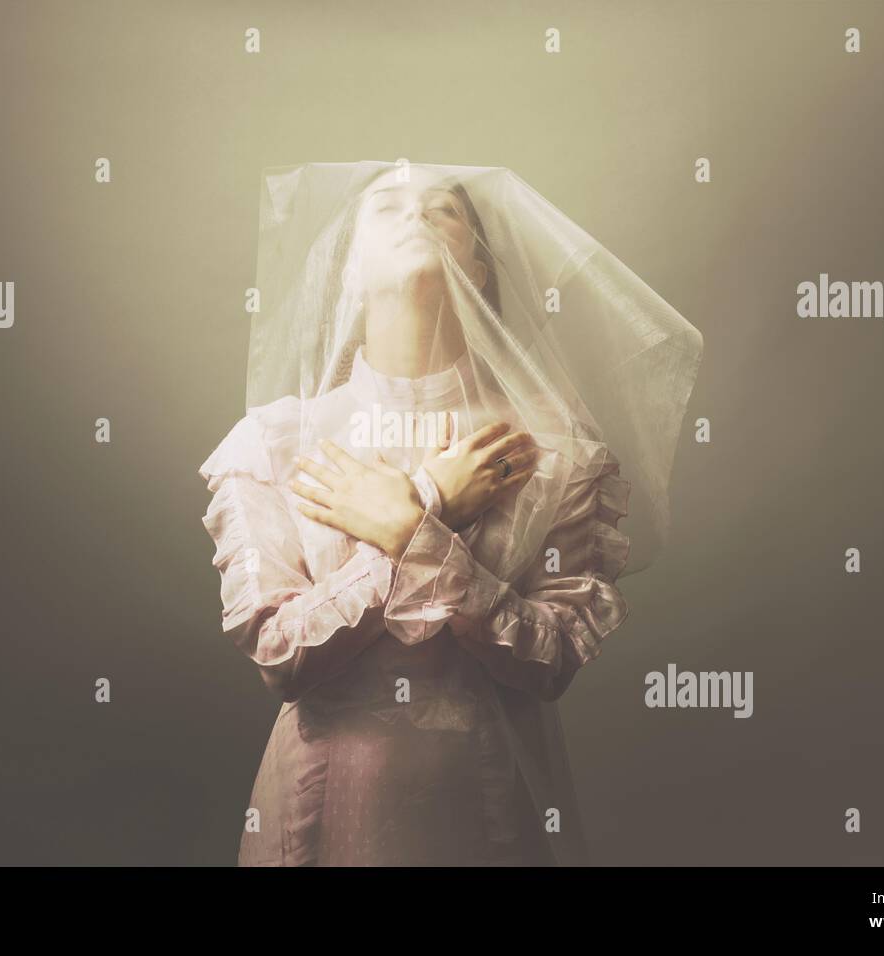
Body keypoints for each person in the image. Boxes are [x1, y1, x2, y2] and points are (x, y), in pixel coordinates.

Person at [199, 161, 698, 865]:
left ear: (481, 267)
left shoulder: (554, 453)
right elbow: (282, 657)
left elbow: (549, 661)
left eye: (445, 210)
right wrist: (433, 506)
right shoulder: (274, 443)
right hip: (319, 803)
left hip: (488, 804)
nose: (417, 217)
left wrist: (409, 529)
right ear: (346, 272)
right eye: (387, 207)